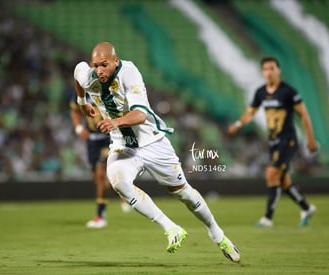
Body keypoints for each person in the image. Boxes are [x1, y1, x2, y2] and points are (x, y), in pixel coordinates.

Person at [73, 42, 240, 262]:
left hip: (152, 142)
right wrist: (82, 101)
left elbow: (140, 115)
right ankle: (171, 228)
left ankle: (217, 234)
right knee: (117, 181)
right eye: (96, 66)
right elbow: (78, 71)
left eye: (104, 65)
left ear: (115, 61)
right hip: (123, 145)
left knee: (183, 193)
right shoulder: (90, 76)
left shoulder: (129, 73)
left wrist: (116, 122)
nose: (100, 70)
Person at [228, 56, 317, 227]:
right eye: (265, 69)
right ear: (262, 72)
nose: (268, 72)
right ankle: (306, 208)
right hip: (273, 141)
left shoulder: (289, 92)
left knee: (271, 173)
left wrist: (311, 140)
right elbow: (250, 113)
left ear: (278, 70)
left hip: (288, 140)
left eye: (272, 68)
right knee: (283, 181)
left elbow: (304, 115)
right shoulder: (261, 92)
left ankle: (267, 218)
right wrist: (238, 124)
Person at [69, 93, 132, 229]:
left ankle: (100, 216)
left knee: (101, 173)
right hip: (92, 140)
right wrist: (79, 128)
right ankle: (123, 193)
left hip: (108, 138)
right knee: (99, 180)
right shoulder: (81, 93)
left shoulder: (106, 88)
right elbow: (74, 110)